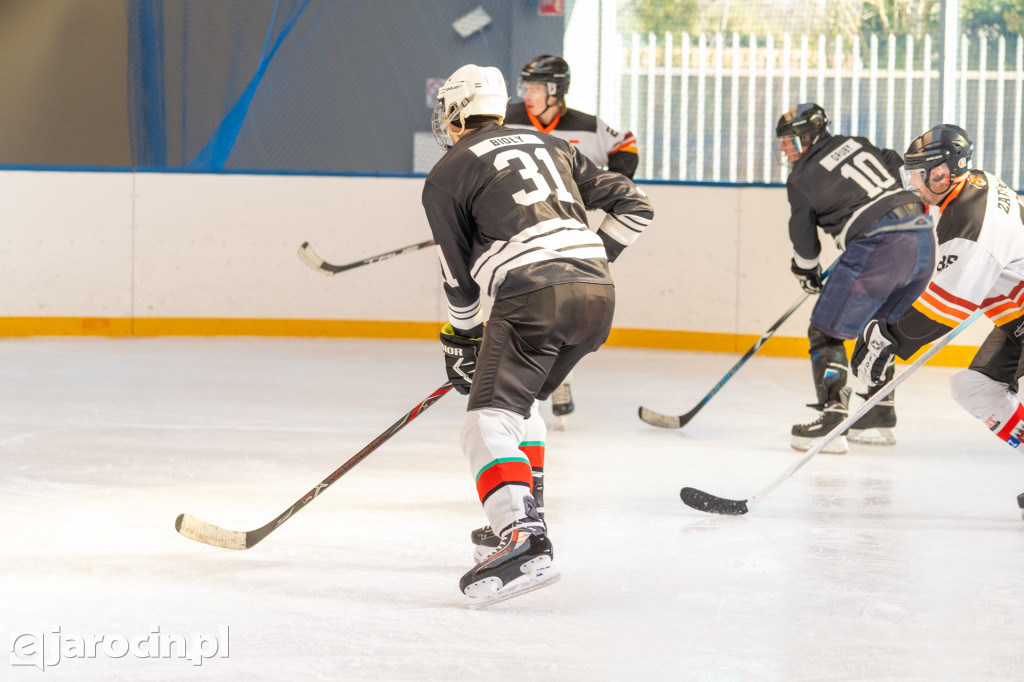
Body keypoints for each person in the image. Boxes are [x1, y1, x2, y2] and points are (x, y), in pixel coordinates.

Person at [422, 64, 653, 606]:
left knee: (484, 422)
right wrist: (588, 257)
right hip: (597, 295)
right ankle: (529, 511)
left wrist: (461, 342)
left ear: (456, 114)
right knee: (521, 407)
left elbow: (458, 280)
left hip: (534, 295)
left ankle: (523, 537)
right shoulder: (554, 145)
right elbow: (636, 206)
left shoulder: (448, 171)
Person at [851, 124, 1024, 516]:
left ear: (943, 173)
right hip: (1017, 322)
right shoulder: (976, 182)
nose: (911, 182)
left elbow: (943, 312)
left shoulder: (970, 222)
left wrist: (889, 339)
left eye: (917, 173)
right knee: (973, 388)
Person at [775, 102, 936, 454]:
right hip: (922, 239)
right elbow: (895, 161)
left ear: (807, 135)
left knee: (824, 330)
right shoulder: (857, 142)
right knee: (878, 326)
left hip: (879, 245)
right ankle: (879, 412)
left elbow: (804, 240)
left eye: (788, 140)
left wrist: (807, 271)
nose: (784, 148)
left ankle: (832, 417)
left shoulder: (800, 177)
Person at [504, 54, 640, 423]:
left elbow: (626, 146)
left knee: (563, 308)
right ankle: (524, 380)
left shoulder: (588, 126)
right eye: (526, 88)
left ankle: (558, 378)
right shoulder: (507, 118)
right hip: (518, 233)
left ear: (554, 90)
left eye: (534, 88)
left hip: (565, 234)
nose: (526, 95)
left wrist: (603, 191)